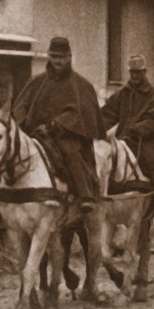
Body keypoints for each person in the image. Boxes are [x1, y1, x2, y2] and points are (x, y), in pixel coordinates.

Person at [12, 36, 103, 214]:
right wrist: (21, 122)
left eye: (62, 57)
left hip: (64, 134)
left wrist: (55, 125)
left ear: (69, 57)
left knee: (70, 151)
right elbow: (21, 104)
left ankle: (85, 194)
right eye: (54, 56)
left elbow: (77, 113)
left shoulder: (79, 84)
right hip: (35, 133)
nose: (58, 61)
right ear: (48, 56)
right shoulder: (37, 81)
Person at [101, 54, 154, 211]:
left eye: (138, 72)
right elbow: (109, 114)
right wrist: (97, 128)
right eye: (132, 72)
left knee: (153, 153)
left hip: (150, 138)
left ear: (145, 72)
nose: (135, 76)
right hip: (125, 138)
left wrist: (141, 128)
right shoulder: (123, 93)